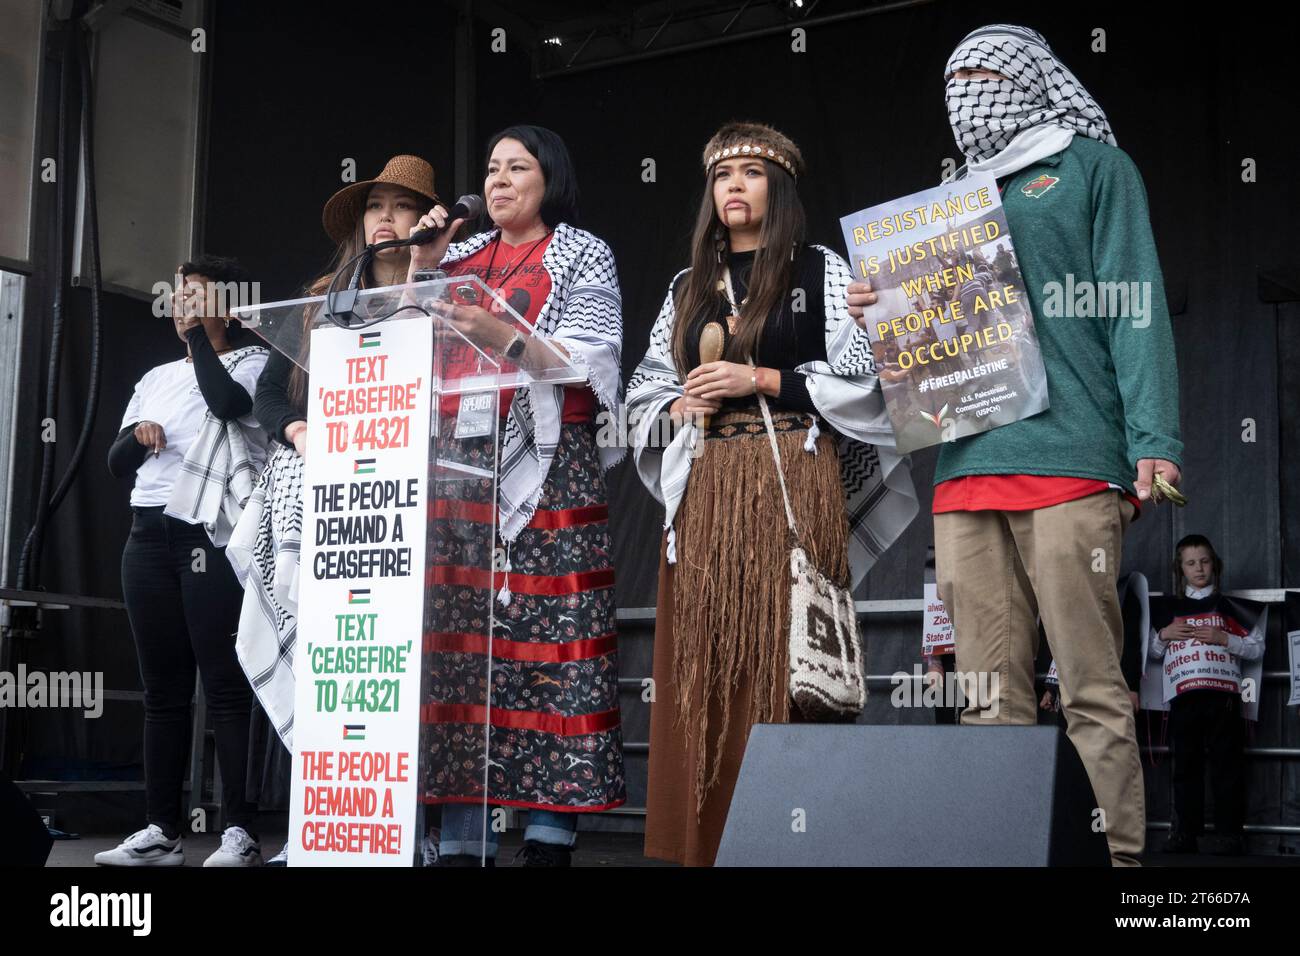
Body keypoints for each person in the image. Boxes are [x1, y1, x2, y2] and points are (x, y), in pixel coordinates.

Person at [848, 24, 1183, 866]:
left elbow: (1134, 306)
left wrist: (1155, 439)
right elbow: (941, 340)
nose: (967, 88)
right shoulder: (949, 197)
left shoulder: (1096, 169)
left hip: (1073, 460)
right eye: (954, 74)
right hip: (967, 468)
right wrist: (883, 306)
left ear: (1033, 75)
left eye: (986, 69)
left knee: (1092, 689)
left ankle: (1124, 871)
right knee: (985, 695)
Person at [628, 121, 916, 866]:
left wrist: (760, 379)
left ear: (778, 188)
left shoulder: (819, 270)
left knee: (788, 660)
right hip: (709, 492)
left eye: (751, 173)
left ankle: (795, 844)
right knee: (710, 665)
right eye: (722, 175)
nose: (733, 186)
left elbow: (868, 384)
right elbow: (645, 387)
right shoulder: (686, 286)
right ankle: (708, 841)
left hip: (794, 479)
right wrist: (674, 409)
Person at [406, 125, 626, 866]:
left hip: (548, 471)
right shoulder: (458, 257)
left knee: (551, 644)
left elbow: (588, 361)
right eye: (491, 169)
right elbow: (406, 348)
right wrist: (421, 263)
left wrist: (501, 334)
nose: (498, 181)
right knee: (463, 649)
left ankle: (547, 835)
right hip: (459, 476)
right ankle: (462, 834)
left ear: (548, 177)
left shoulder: (580, 250)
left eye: (517, 167)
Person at [227, 155, 438, 865]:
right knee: (327, 658)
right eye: (375, 205)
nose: (386, 217)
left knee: (403, 662)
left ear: (425, 223)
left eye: (403, 207)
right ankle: (317, 826)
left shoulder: (445, 297)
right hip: (323, 495)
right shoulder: (320, 298)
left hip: (409, 503)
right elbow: (266, 394)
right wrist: (299, 429)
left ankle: (412, 830)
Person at [98, 255, 270, 866]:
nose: (182, 308)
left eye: (197, 297)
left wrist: (201, 337)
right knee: (162, 691)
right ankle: (162, 831)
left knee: (224, 684)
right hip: (147, 534)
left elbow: (225, 404)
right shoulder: (155, 377)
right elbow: (117, 462)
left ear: (229, 305)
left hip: (207, 533)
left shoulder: (252, 362)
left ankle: (240, 830)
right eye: (179, 299)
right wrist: (138, 432)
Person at [1149, 535, 1263, 855]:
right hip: (1184, 699)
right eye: (1191, 563)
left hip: (1223, 698)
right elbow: (1150, 653)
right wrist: (1163, 635)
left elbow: (1257, 647)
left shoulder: (1229, 607)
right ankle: (1185, 833)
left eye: (1205, 561)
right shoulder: (1167, 609)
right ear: (1180, 569)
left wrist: (1224, 638)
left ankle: (1230, 834)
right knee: (1185, 767)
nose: (1199, 568)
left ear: (1214, 564)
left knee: (1227, 766)